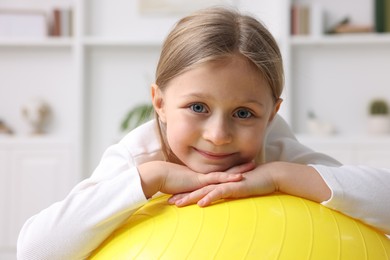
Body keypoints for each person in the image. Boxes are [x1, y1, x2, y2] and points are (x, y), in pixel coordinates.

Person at [17, 7, 390, 260]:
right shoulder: (140, 156)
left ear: (273, 114)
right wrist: (152, 178)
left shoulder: (276, 149)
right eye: (198, 107)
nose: (218, 135)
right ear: (159, 103)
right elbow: (34, 249)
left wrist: (279, 175)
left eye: (244, 113)